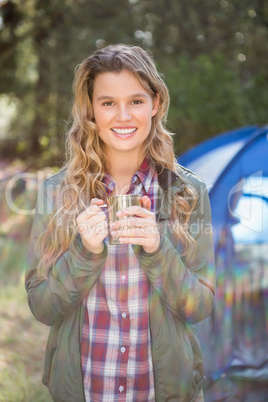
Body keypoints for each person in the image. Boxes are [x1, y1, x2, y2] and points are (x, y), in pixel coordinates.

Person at [25, 44, 215, 402]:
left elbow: (199, 306)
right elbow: (43, 307)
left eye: (137, 101)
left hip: (163, 392)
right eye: (108, 102)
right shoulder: (56, 194)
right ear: (92, 111)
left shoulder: (188, 193)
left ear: (156, 104)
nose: (123, 116)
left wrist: (159, 250)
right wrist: (84, 252)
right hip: (86, 389)